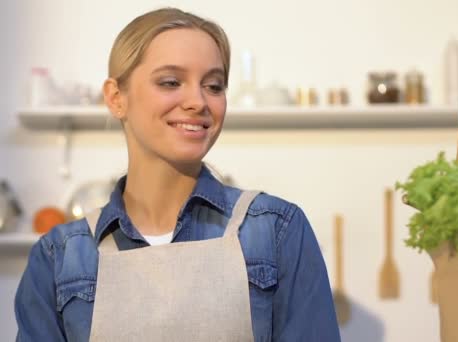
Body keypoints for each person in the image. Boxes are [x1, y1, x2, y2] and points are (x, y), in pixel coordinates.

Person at [14, 7, 340, 341]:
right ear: (115, 98)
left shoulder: (276, 231)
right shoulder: (59, 257)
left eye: (214, 85)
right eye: (171, 82)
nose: (198, 101)